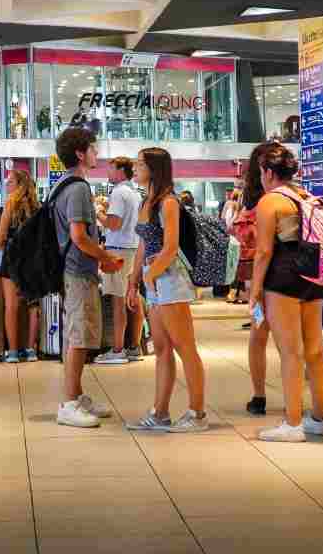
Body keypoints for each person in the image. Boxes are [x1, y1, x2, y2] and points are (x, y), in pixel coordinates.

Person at [250, 142, 323, 443]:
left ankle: (293, 423)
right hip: (313, 275)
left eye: (262, 172)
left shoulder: (270, 201)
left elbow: (263, 251)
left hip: (283, 278)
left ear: (269, 173)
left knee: (291, 352)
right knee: (315, 350)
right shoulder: (307, 196)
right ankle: (319, 419)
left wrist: (255, 290)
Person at [125, 147, 208, 433]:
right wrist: (134, 279)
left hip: (170, 279)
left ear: (154, 168)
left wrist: (150, 276)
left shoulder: (168, 202)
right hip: (154, 280)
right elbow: (143, 244)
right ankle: (160, 412)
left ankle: (198, 413)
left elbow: (170, 247)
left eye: (140, 163)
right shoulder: (145, 202)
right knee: (161, 348)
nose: (134, 167)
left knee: (185, 347)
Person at [52, 127, 124, 428]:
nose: (97, 154)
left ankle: (77, 396)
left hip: (73, 269)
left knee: (77, 334)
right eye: (93, 149)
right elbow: (79, 236)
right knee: (79, 337)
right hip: (78, 271)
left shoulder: (63, 185)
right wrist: (106, 257)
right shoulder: (79, 188)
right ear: (80, 153)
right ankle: (69, 403)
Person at [238, 142, 275, 416]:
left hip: (261, 278)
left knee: (259, 333)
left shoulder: (252, 201)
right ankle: (269, 395)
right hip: (284, 277)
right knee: (287, 340)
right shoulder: (291, 195)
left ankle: (259, 395)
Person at [95, 157, 141, 365]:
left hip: (118, 250)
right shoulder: (134, 193)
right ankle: (134, 346)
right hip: (132, 248)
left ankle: (117, 349)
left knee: (118, 300)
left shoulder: (119, 192)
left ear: (122, 171)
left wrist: (99, 213)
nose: (108, 172)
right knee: (133, 297)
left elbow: (113, 224)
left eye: (111, 169)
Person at [0, 169, 42, 363]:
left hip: (12, 257)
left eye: (11, 181)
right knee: (33, 305)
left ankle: (13, 351)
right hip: (32, 258)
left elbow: (1, 234)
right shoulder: (37, 206)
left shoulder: (10, 204)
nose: (7, 184)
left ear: (20, 184)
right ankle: (31, 350)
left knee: (11, 306)